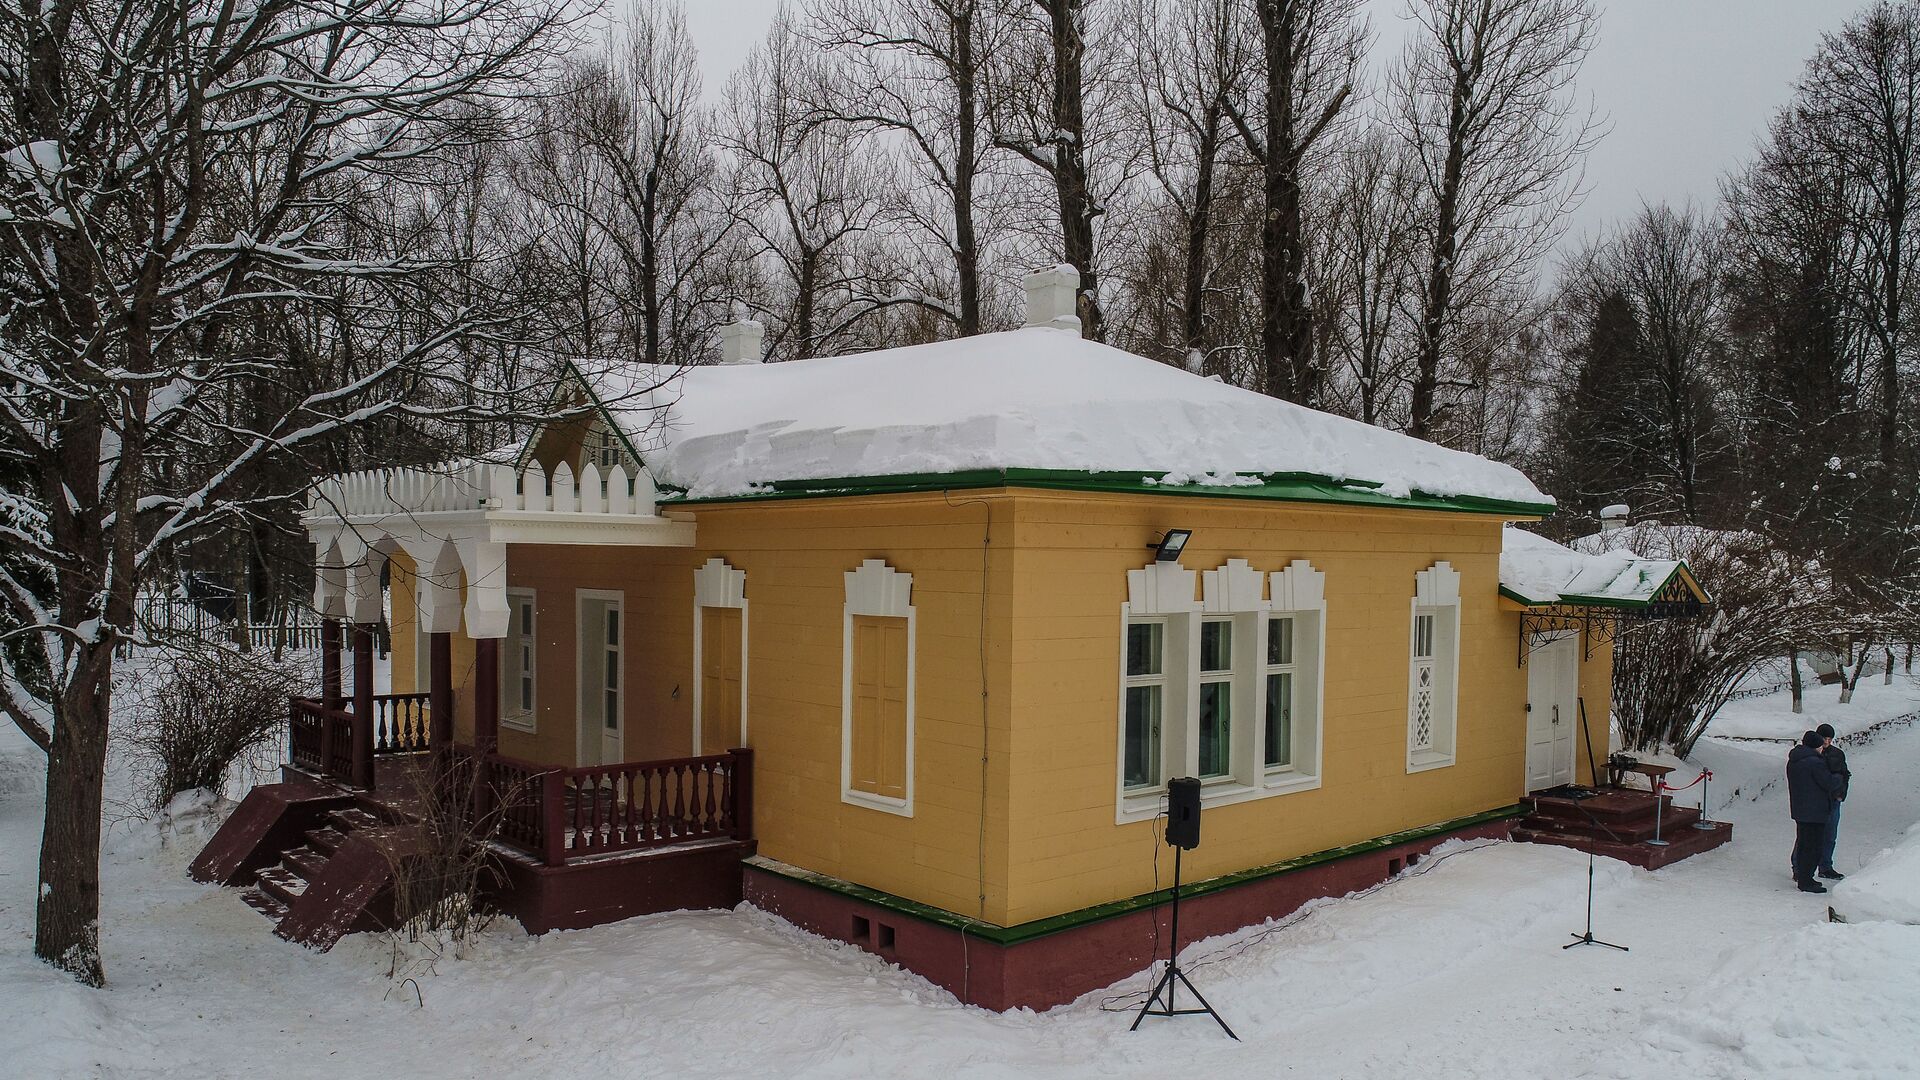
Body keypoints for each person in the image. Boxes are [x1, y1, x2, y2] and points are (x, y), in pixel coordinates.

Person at [1787, 729, 1841, 893]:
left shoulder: (1794, 760)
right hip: (1815, 811)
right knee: (1813, 846)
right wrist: (1839, 777)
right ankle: (1806, 880)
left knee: (1803, 844)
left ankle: (1803, 876)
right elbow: (1828, 782)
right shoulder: (1814, 762)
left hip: (1800, 809)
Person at [1816, 723, 1850, 880]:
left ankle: (1826, 866)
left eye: (1829, 739)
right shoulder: (1813, 754)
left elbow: (1844, 774)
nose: (1826, 742)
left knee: (1830, 835)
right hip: (1817, 801)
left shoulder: (1837, 754)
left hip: (1833, 800)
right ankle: (1799, 866)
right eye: (1824, 738)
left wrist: (1841, 794)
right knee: (1808, 835)